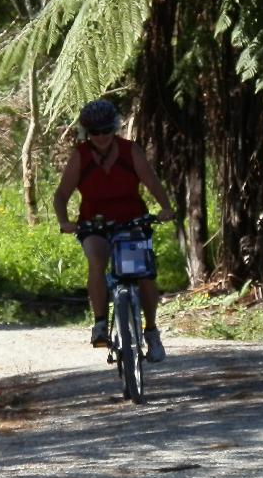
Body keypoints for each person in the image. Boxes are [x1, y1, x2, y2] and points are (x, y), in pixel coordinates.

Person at [54, 99, 176, 362]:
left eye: (106, 130)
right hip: (94, 224)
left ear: (115, 128)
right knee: (96, 259)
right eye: (94, 133)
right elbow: (61, 195)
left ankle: (151, 331)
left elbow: (152, 182)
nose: (101, 137)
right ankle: (100, 323)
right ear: (87, 133)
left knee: (142, 274)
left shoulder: (130, 151)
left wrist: (165, 207)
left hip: (132, 221)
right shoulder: (81, 156)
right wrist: (64, 221)